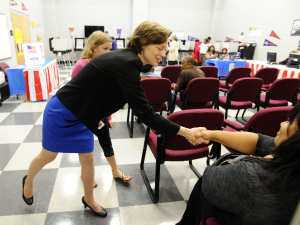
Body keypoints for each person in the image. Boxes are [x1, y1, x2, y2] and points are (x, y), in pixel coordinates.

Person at [22, 21, 201, 218]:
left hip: (86, 114)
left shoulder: (131, 60)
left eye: (165, 48)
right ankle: (28, 180)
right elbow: (146, 114)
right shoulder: (127, 63)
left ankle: (89, 199)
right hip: (63, 111)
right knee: (49, 156)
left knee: (88, 159)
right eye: (160, 48)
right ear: (143, 45)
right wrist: (186, 132)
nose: (164, 53)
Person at [177, 104, 300, 225]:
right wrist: (210, 134)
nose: (282, 123)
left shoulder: (250, 177)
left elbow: (210, 177)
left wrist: (249, 159)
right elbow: (260, 141)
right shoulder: (292, 160)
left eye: (289, 122)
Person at [71, 31, 131, 187]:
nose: (108, 52)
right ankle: (85, 174)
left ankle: (115, 171)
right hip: (84, 114)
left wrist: (108, 117)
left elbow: (104, 94)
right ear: (93, 47)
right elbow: (75, 95)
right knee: (85, 148)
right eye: (105, 48)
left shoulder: (102, 65)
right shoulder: (81, 66)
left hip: (100, 113)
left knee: (106, 143)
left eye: (110, 49)